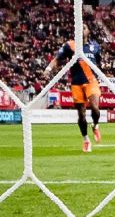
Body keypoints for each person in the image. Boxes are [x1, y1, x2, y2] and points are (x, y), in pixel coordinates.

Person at [44, 25, 103, 153]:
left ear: (89, 31)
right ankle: (86, 140)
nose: (82, 29)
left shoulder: (95, 46)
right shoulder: (70, 45)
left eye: (85, 27)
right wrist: (48, 69)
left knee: (95, 108)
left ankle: (95, 125)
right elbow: (57, 59)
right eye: (80, 27)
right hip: (76, 83)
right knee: (81, 115)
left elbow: (98, 62)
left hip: (91, 81)